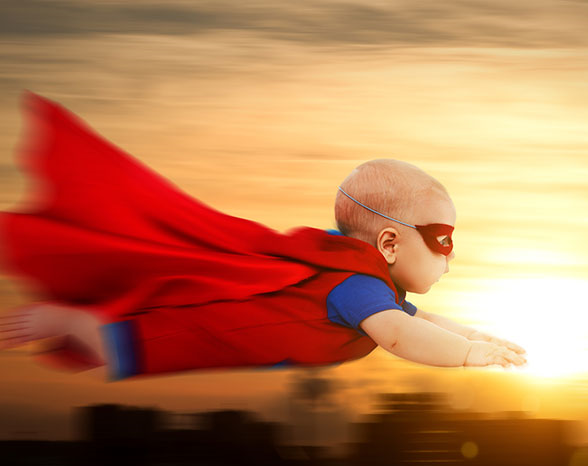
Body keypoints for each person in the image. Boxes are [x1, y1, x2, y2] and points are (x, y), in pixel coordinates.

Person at [0, 93, 526, 380]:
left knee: (139, 339)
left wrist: (475, 335)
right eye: (443, 242)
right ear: (389, 244)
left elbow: (422, 319)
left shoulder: (366, 283)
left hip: (244, 332)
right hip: (225, 331)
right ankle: (66, 318)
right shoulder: (358, 288)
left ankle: (85, 321)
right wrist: (464, 357)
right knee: (132, 346)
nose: (449, 260)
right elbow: (403, 336)